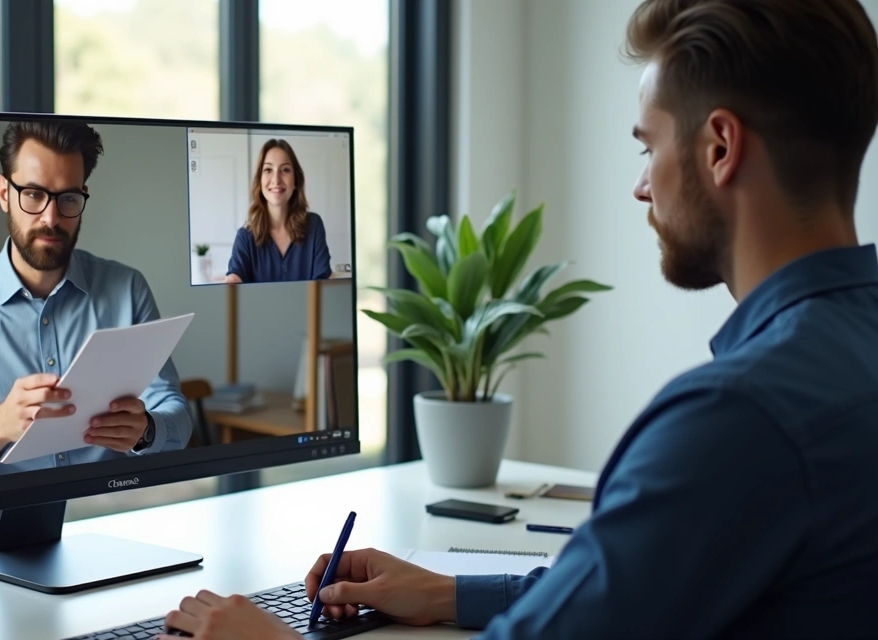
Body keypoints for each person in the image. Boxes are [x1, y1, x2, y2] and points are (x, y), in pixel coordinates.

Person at [157, 0, 878, 637]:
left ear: (720, 148)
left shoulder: (736, 419)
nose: (640, 184)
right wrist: (444, 592)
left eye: (648, 146)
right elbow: (629, 594)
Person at [0, 120, 190, 487]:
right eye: (33, 194)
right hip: (2, 519)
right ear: (4, 192)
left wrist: (146, 430)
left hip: (109, 511)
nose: (51, 218)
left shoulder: (128, 289)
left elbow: (177, 417)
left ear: (83, 197)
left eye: (68, 198)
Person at [224, 139, 333, 283]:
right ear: (259, 180)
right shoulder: (245, 236)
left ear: (296, 180)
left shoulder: (314, 225)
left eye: (285, 170)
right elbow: (235, 277)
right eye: (268, 170)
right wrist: (232, 281)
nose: (276, 180)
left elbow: (323, 282)